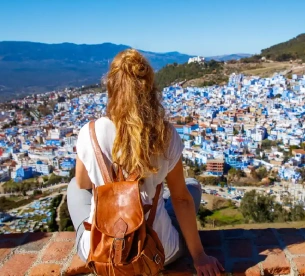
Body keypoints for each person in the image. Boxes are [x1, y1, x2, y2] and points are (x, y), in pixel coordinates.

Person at [67, 48, 224, 276]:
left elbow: (83, 183)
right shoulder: (165, 134)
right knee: (190, 187)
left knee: (73, 186)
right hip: (158, 252)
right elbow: (181, 200)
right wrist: (199, 257)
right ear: (149, 87)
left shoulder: (89, 132)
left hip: (101, 252)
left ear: (112, 86)